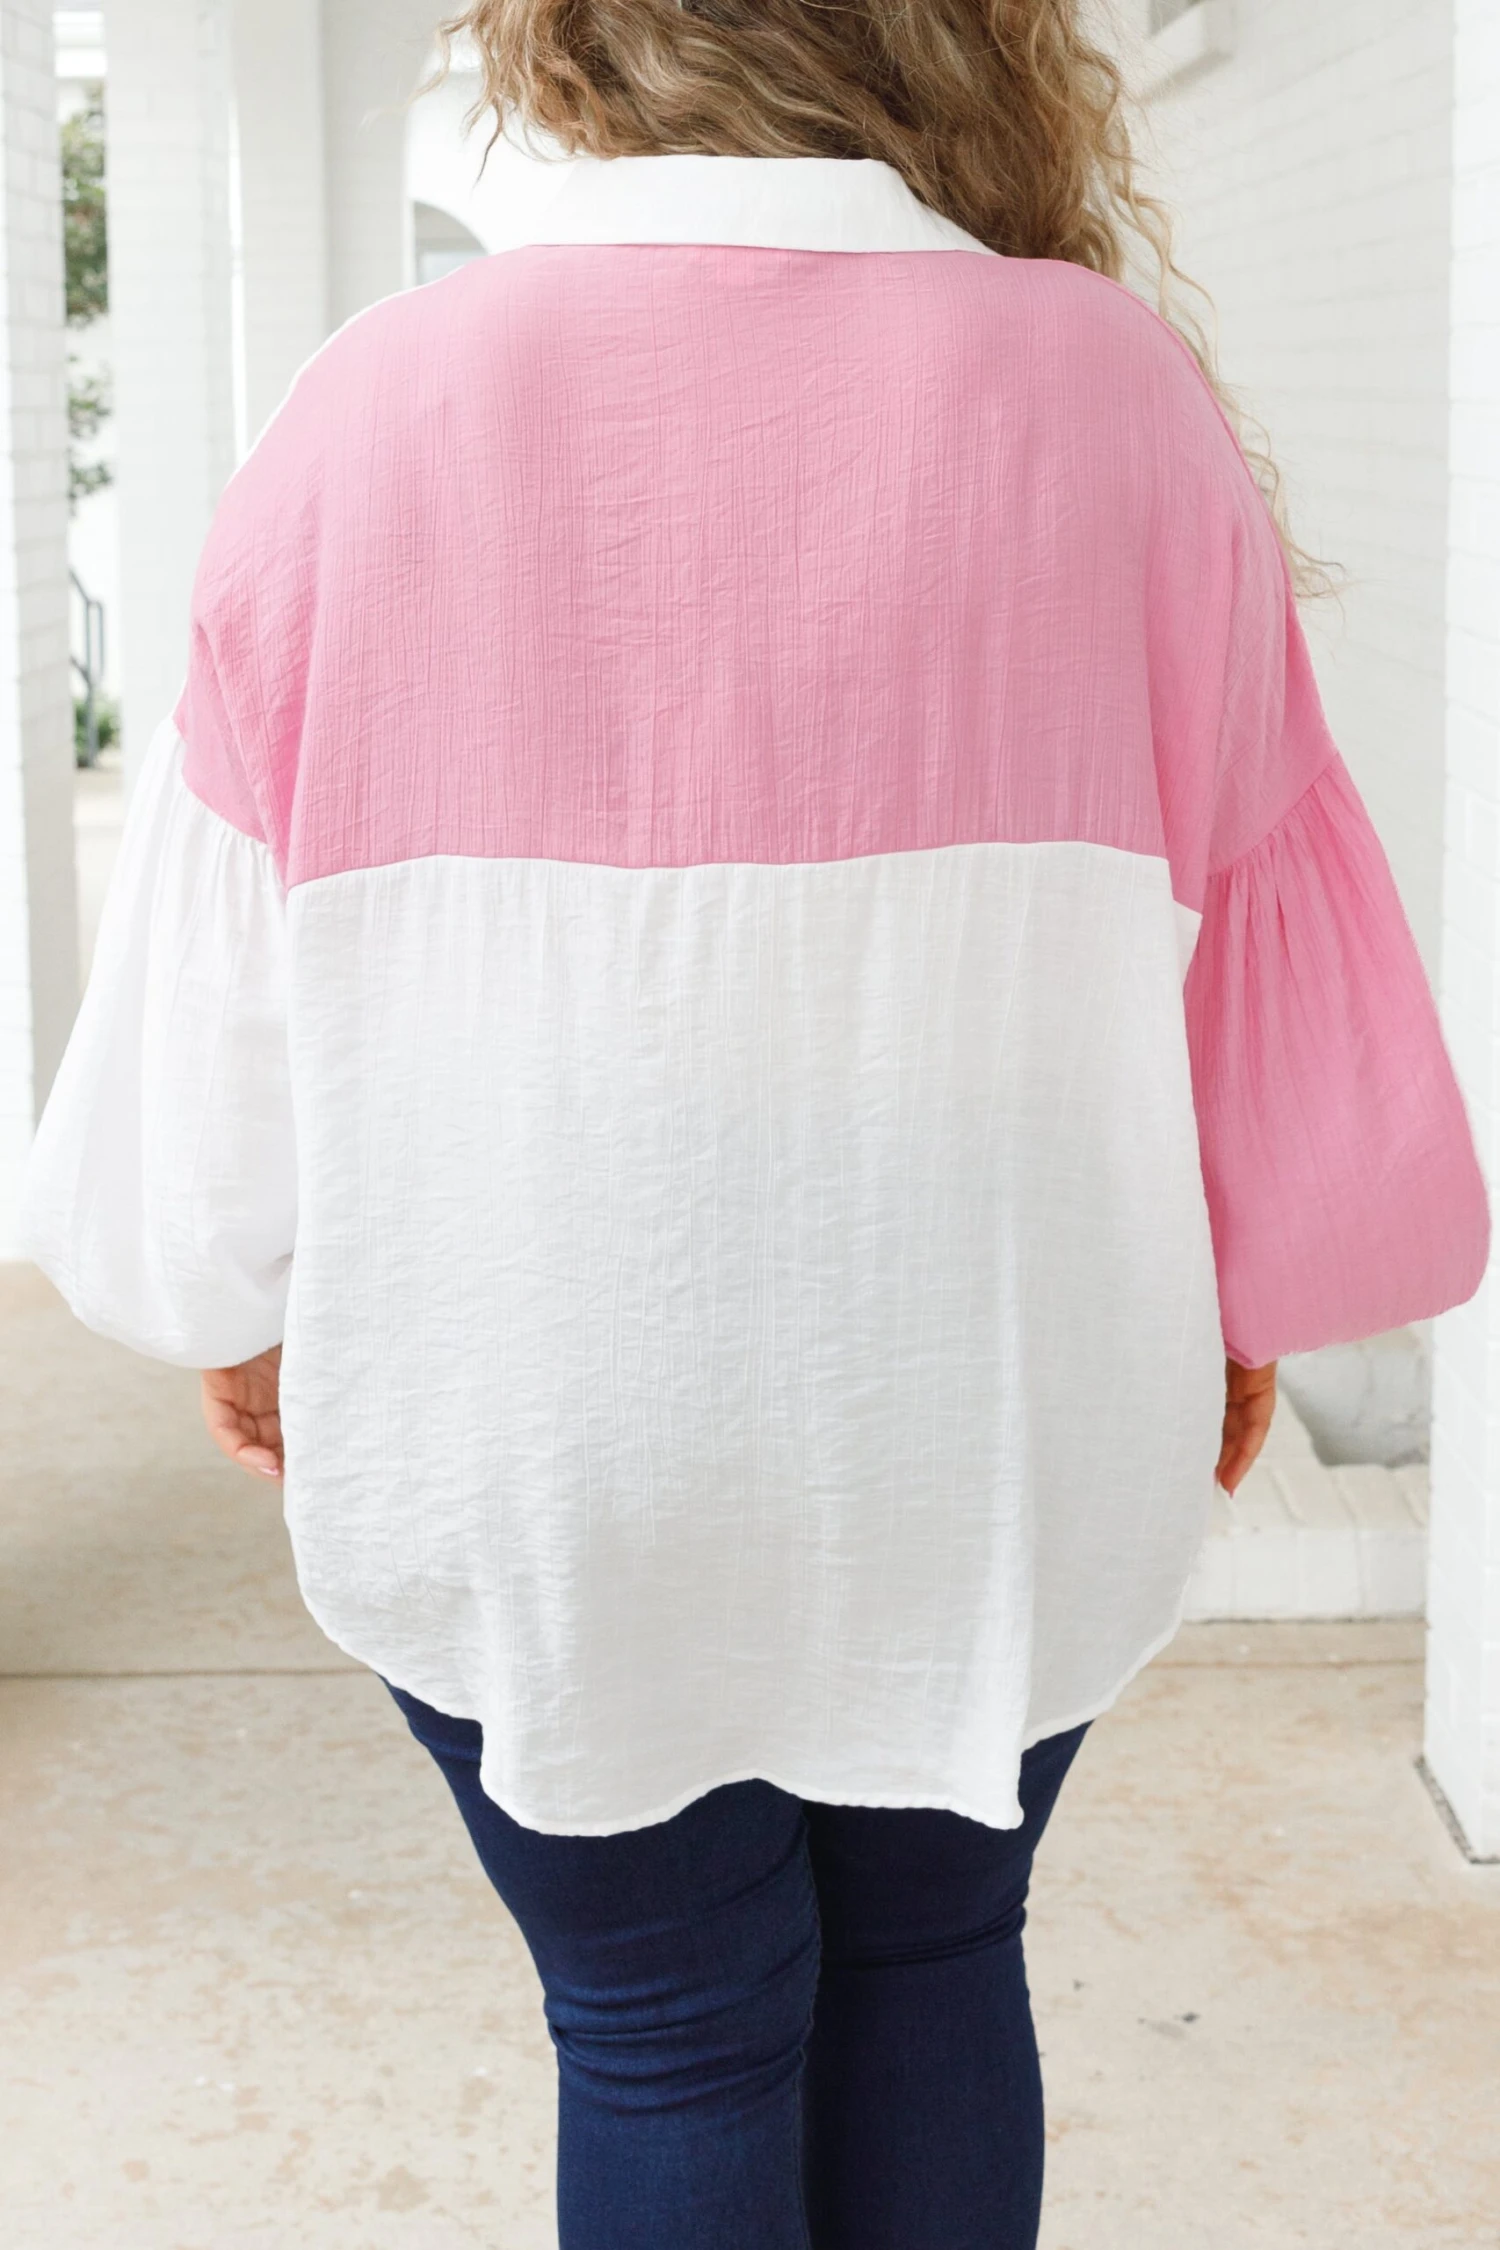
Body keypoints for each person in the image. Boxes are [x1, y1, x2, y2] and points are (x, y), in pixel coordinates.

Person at [22, 3, 1488, 2245]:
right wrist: (1238, 1300)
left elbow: (199, 1080)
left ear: (570, 44)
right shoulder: (1118, 400)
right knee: (935, 1948)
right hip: (991, 1417)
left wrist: (236, 1306)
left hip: (538, 1438)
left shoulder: (373, 407)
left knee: (666, 2022)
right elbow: (1263, 971)